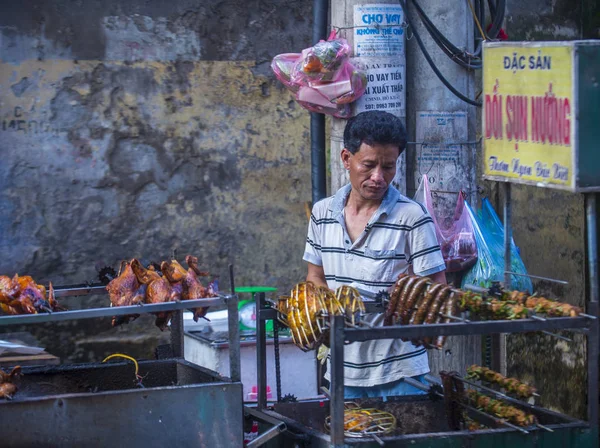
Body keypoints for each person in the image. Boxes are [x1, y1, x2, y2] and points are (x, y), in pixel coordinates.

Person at [303, 110, 446, 399]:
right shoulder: (322, 214)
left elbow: (437, 288)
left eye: (388, 167)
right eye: (368, 165)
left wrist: (409, 298)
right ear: (346, 159)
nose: (379, 177)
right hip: (343, 369)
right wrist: (328, 307)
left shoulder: (412, 217)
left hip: (401, 371)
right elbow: (314, 276)